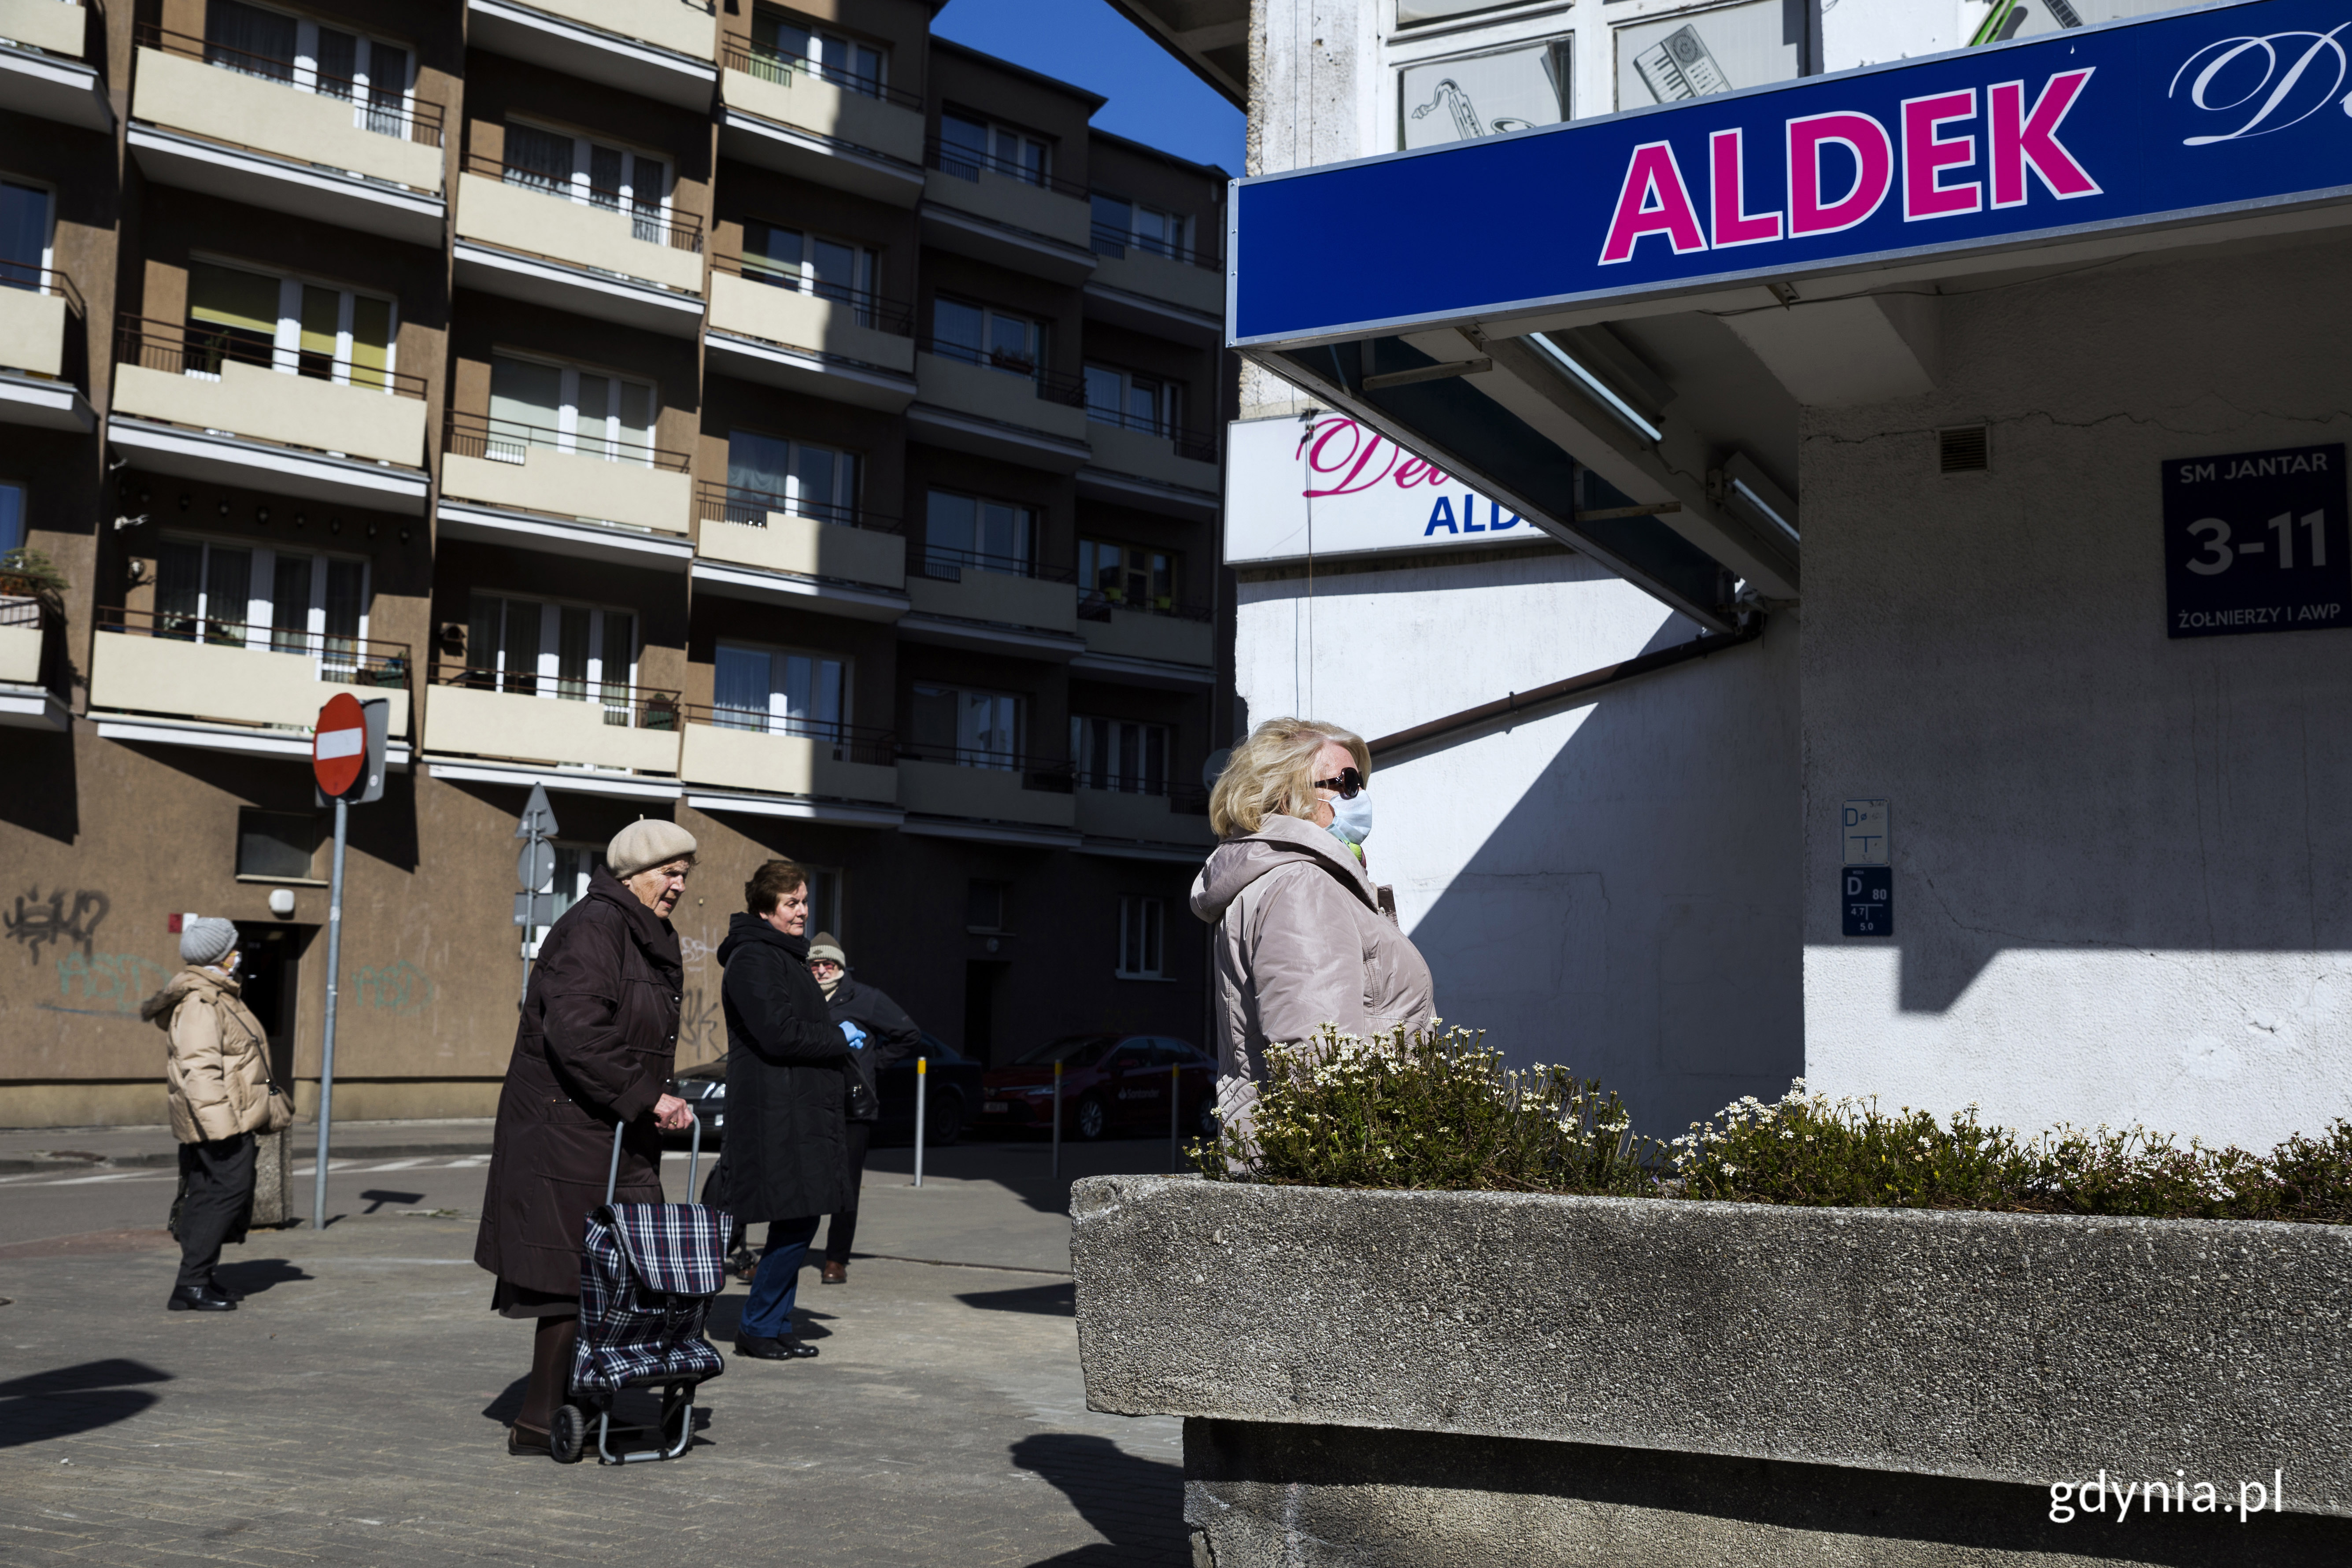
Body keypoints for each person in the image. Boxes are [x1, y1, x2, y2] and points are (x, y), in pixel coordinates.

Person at [474, 818, 700, 1457]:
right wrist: (647, 1096)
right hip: (568, 1132)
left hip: (605, 1131)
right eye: (670, 872)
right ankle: (541, 1420)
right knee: (571, 1275)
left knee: (603, 1272)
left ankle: (572, 1403)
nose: (680, 885)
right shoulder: (596, 928)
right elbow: (577, 1033)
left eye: (686, 873)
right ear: (633, 873)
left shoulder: (638, 931)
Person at [1190, 718, 1435, 1152]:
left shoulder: (1295, 881)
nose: (1360, 798)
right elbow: (1317, 1063)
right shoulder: (1302, 886)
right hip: (1337, 1164)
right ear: (1288, 796)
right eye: (1347, 783)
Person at [715, 860, 858, 1360]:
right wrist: (839, 1038)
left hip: (798, 1109)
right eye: (791, 903)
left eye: (804, 900)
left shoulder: (783, 955)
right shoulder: (754, 958)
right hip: (776, 1111)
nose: (802, 911)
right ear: (765, 908)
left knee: (799, 1218)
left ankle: (772, 1323)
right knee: (793, 1217)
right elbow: (778, 1033)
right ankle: (757, 1325)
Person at [141, 916, 277, 1313]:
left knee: (211, 1194)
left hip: (228, 1117)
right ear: (221, 956)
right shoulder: (201, 1004)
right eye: (234, 948)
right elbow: (198, 1070)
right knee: (223, 1194)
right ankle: (192, 1283)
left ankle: (198, 1279)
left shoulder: (221, 997)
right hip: (220, 1122)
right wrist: (222, 1128)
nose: (239, 955)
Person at [807, 931, 920, 1285]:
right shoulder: (802, 998)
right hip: (811, 1104)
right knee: (805, 1180)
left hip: (854, 1106)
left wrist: (871, 1065)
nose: (822, 971)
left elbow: (908, 1035)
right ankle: (793, 1249)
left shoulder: (866, 998)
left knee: (846, 1185)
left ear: (840, 966)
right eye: (815, 965)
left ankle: (836, 1259)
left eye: (829, 964)